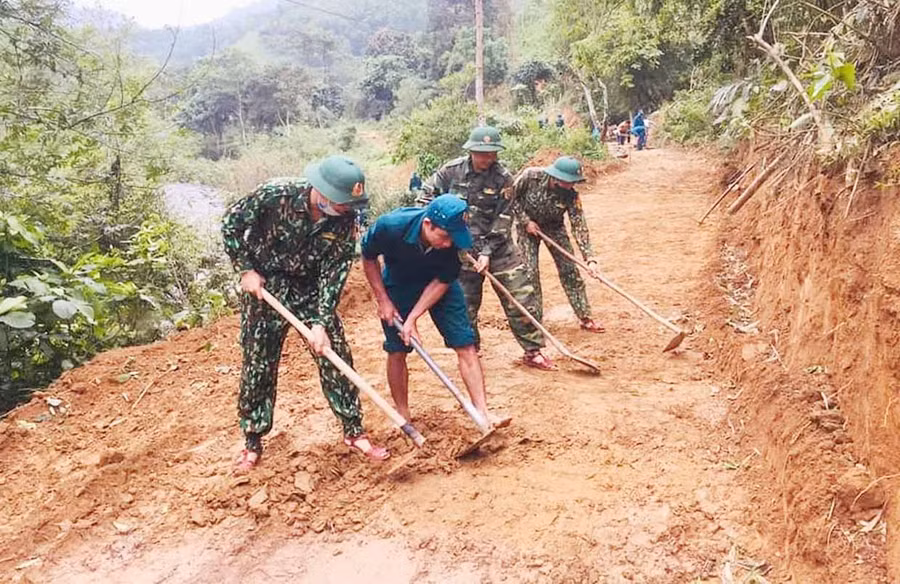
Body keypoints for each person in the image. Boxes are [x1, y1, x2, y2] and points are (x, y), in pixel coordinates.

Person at [222, 155, 389, 473]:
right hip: (265, 285)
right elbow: (230, 224)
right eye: (342, 203)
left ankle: (353, 431)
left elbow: (334, 272)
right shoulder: (275, 194)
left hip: (310, 288)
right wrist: (245, 270)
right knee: (258, 362)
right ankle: (252, 440)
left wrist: (321, 322)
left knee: (334, 355)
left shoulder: (345, 220)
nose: (346, 210)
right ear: (322, 192)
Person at [418, 126, 555, 371]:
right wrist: (441, 230)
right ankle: (471, 350)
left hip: (499, 249)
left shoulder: (504, 178)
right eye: (482, 153)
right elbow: (425, 199)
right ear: (471, 151)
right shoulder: (450, 172)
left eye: (492, 153)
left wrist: (487, 251)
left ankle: (533, 350)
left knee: (521, 297)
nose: (488, 158)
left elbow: (504, 217)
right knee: (464, 304)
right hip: (460, 251)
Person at [361, 194, 506, 425]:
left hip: (439, 283)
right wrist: (383, 300)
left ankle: (482, 413)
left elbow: (443, 281)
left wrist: (412, 318)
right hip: (399, 282)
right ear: (428, 224)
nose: (448, 244)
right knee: (397, 349)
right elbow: (368, 257)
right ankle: (403, 414)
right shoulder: (391, 226)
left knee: (465, 343)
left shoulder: (454, 241)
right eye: (445, 236)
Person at [512, 156, 605, 333]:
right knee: (530, 272)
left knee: (570, 271)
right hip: (527, 228)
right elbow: (510, 198)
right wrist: (525, 221)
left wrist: (590, 258)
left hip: (554, 228)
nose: (570, 185)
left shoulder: (572, 195)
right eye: (567, 181)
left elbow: (579, 225)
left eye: (573, 182)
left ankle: (585, 317)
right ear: (555, 176)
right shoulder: (531, 177)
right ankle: (534, 321)